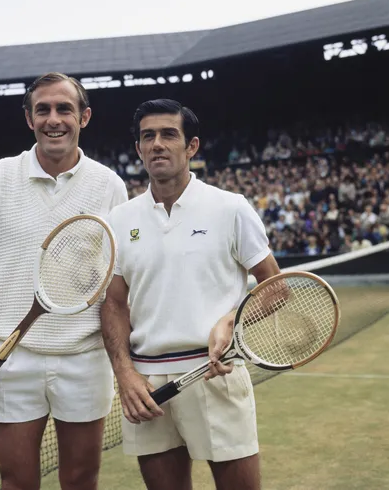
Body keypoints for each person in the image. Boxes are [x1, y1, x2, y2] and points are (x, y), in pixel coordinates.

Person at [0, 72, 128, 490]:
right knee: (16, 482)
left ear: (84, 117)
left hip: (85, 358)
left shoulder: (110, 186)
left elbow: (118, 283)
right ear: (28, 119)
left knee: (81, 480)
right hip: (12, 361)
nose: (54, 119)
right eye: (43, 109)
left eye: (64, 109)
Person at [101, 99, 280, 490]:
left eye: (169, 134)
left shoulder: (230, 207)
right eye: (148, 136)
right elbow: (113, 303)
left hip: (216, 372)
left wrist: (232, 322)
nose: (157, 144)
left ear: (192, 146)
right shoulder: (120, 219)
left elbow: (275, 288)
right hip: (146, 384)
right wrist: (124, 374)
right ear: (138, 149)